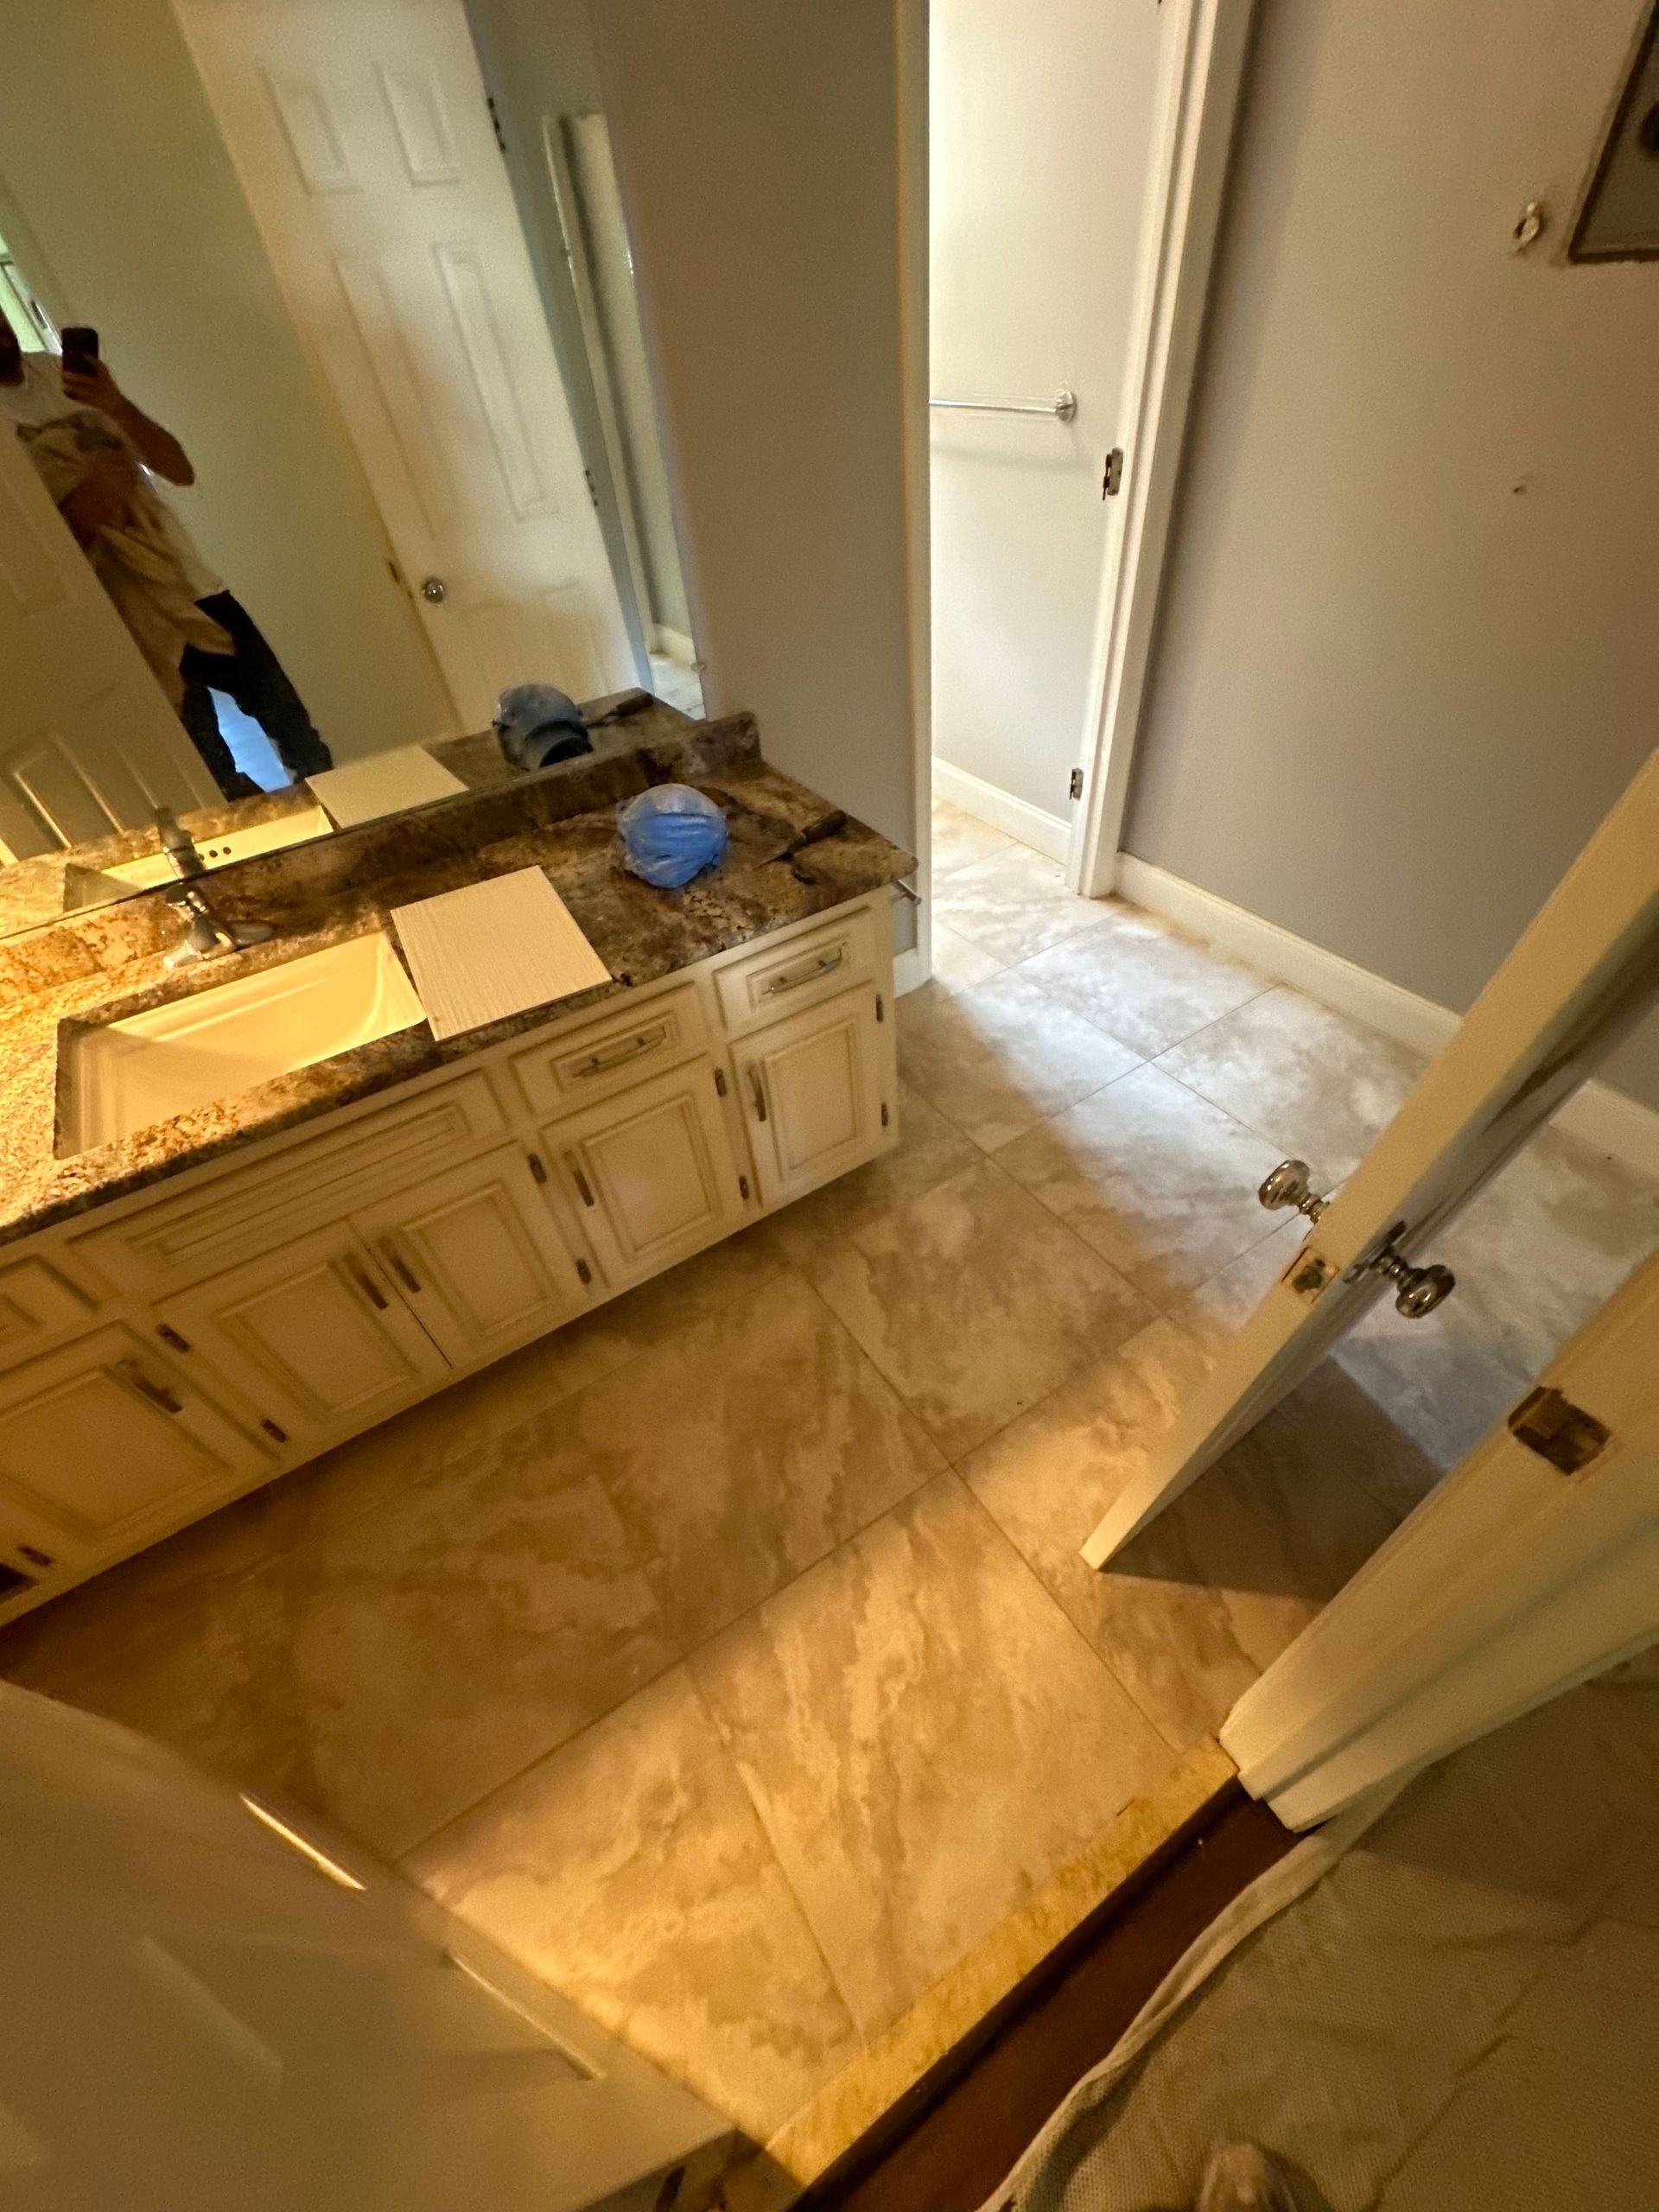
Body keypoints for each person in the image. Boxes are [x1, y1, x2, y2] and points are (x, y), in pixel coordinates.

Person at [0, 319, 332, 799]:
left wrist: (116, 406)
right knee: (209, 772)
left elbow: (178, 469)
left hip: (192, 587)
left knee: (301, 740)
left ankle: (350, 830)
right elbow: (26, 574)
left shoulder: (59, 373)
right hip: (119, 617)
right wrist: (89, 503)